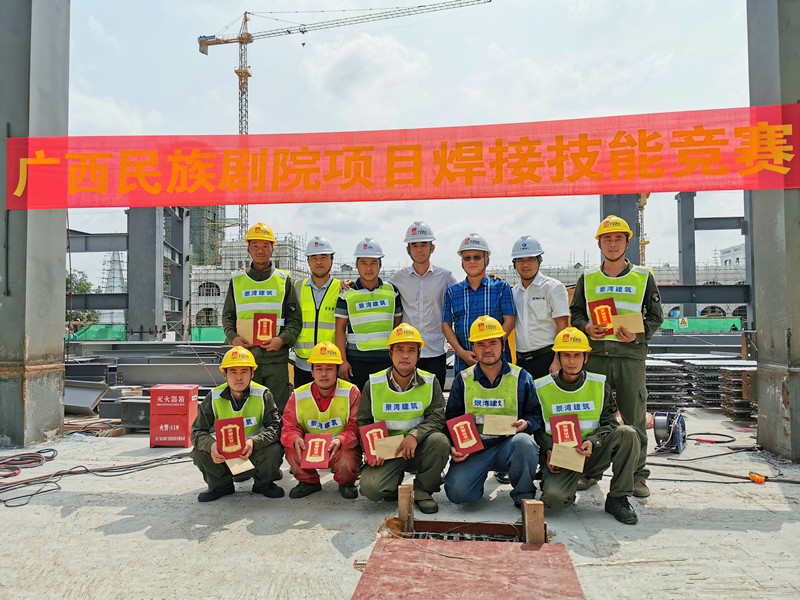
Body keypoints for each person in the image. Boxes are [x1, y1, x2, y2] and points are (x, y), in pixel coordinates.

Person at [569, 215, 663, 498]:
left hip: (629, 357)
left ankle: (636, 476)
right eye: (607, 239)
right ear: (599, 243)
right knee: (592, 416)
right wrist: (586, 328)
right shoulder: (588, 278)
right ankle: (589, 471)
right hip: (596, 356)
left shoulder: (643, 277)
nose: (612, 244)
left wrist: (638, 336)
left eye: (618, 238)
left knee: (634, 418)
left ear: (627, 243)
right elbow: (576, 313)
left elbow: (656, 317)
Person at [534, 327, 640, 524]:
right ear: (558, 357)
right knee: (555, 500)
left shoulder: (598, 385)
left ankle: (618, 498)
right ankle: (561, 485)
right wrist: (548, 450)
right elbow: (537, 426)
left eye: (577, 355)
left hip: (592, 454)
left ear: (586, 358)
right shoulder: (541, 387)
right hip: (560, 459)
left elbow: (609, 422)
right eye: (566, 355)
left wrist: (593, 441)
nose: (571, 361)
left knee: (627, 433)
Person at [444, 316, 542, 508]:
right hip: (474, 450)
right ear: (473, 348)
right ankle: (475, 481)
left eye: (493, 343)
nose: (487, 349)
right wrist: (453, 446)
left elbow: (536, 415)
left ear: (503, 346)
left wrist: (526, 424)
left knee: (524, 442)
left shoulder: (521, 377)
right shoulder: (463, 380)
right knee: (458, 493)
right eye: (480, 344)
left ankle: (523, 492)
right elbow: (452, 420)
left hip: (509, 447)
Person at [357, 323, 450, 514]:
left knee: (440, 441)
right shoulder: (373, 383)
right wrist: (371, 450)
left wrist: (415, 435)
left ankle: (423, 490)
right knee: (371, 489)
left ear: (418, 355)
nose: (405, 355)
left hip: (418, 448)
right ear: (391, 354)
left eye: (411, 350)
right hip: (387, 451)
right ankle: (393, 482)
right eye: (399, 350)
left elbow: (437, 417)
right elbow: (363, 421)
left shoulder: (430, 381)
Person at [222, 222, 301, 413]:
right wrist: (233, 338)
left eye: (265, 245)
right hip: (245, 361)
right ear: (248, 249)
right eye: (255, 245)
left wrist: (282, 340)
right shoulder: (237, 281)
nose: (260, 250)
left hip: (276, 360)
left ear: (272, 249)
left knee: (277, 409)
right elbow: (228, 316)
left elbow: (294, 319)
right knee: (248, 410)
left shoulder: (283, 280)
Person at [190, 346, 284, 502]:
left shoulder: (263, 394)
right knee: (199, 451)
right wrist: (211, 446)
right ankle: (221, 486)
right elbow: (197, 432)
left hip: (254, 453)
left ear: (252, 373)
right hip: (224, 456)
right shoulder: (213, 396)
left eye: (244, 372)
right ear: (224, 374)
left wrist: (253, 442)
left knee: (274, 448)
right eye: (233, 372)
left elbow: (275, 427)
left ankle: (264, 484)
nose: (238, 377)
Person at [281, 342, 361, 500]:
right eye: (319, 368)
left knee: (349, 456)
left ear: (337, 370)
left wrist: (341, 440)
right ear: (311, 371)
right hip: (310, 448)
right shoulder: (299, 395)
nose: (324, 374)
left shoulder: (351, 392)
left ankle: (346, 483)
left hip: (339, 447)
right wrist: (295, 439)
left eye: (329, 368)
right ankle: (308, 482)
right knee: (292, 448)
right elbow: (289, 426)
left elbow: (355, 425)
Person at [389, 221, 457, 390]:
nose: (419, 249)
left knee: (434, 399)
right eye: (414, 245)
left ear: (432, 248)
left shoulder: (445, 277)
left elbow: (464, 292)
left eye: (423, 245)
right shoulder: (398, 278)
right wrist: (349, 285)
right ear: (408, 249)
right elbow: (377, 290)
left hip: (435, 352)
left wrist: (490, 278)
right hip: (407, 353)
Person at [442, 233, 516, 375]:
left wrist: (490, 351)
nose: (472, 262)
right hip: (464, 364)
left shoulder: (501, 287)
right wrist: (462, 353)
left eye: (477, 257)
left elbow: (510, 321)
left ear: (486, 259)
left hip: (498, 364)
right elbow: (446, 325)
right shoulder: (453, 292)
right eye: (467, 258)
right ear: (462, 262)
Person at [335, 237, 403, 391]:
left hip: (387, 361)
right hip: (356, 362)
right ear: (357, 265)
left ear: (380, 264)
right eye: (363, 263)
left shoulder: (392, 292)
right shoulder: (346, 296)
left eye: (373, 263)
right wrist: (342, 361)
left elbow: (398, 327)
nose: (369, 268)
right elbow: (339, 330)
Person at [511, 235, 570, 379]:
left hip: (547, 358)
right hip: (521, 362)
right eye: (520, 260)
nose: (525, 265)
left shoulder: (553, 287)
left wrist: (558, 359)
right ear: (514, 263)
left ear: (540, 260)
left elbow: (562, 325)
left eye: (530, 259)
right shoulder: (513, 292)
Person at [293, 236, 341, 389]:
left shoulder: (342, 289)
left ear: (331, 260)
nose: (319, 262)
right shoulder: (297, 287)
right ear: (308, 261)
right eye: (314, 257)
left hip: (331, 364)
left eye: (323, 257)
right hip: (303, 363)